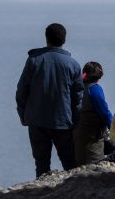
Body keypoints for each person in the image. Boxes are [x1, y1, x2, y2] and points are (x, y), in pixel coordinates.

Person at [15, 23, 83, 177]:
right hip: (63, 121)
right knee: (70, 163)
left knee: (41, 165)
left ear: (46, 39)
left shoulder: (34, 60)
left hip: (36, 120)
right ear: (64, 40)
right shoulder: (73, 64)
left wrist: (23, 115)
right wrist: (76, 123)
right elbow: (78, 98)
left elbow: (21, 91)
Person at [73, 61, 114, 166]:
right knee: (94, 167)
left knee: (80, 164)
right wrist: (114, 129)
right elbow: (104, 113)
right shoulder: (95, 89)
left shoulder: (78, 88)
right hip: (92, 137)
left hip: (78, 133)